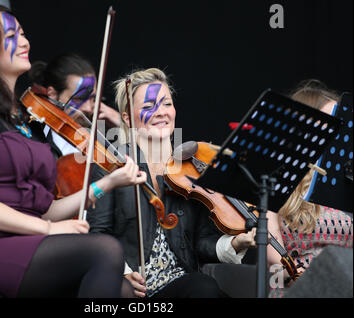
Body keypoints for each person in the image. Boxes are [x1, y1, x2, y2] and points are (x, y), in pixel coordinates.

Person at [0, 4, 147, 298]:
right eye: (12, 35)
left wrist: (106, 184)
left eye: (23, 34)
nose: (25, 42)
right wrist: (47, 230)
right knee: (104, 249)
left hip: (26, 241)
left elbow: (47, 208)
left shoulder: (22, 119)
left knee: (125, 290)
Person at [87, 68, 257, 298]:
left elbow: (200, 242)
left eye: (166, 104)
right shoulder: (113, 165)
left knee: (205, 288)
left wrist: (236, 243)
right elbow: (98, 232)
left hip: (182, 284)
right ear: (127, 118)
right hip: (133, 290)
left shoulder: (190, 168)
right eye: (148, 107)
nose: (160, 113)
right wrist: (122, 272)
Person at [267, 79, 353, 298]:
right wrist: (316, 275)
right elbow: (272, 255)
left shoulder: (347, 179)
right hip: (299, 284)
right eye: (330, 121)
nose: (338, 129)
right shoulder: (276, 180)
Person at [28, 53, 121, 158]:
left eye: (92, 98)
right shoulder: (34, 136)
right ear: (52, 94)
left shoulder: (101, 133)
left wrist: (121, 124)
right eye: (78, 99)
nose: (88, 108)